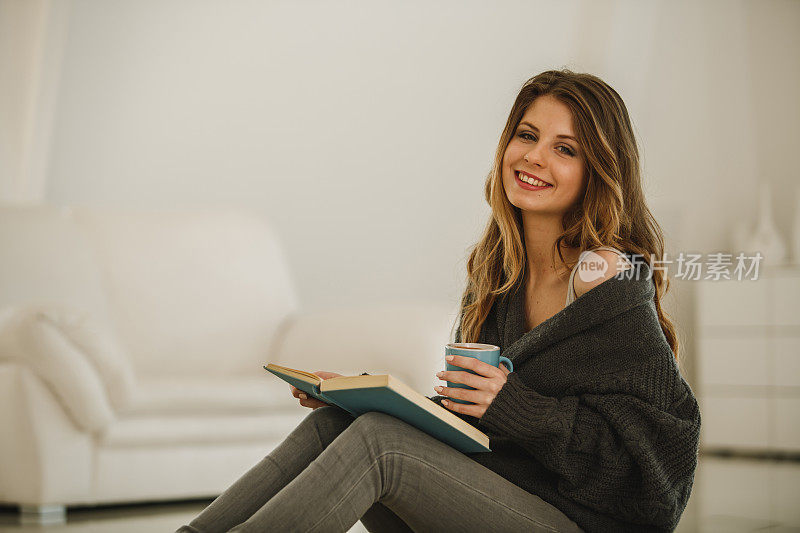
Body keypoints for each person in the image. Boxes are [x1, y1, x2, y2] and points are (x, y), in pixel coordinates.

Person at [177, 68, 700, 533]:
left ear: (598, 170)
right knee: (338, 424)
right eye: (527, 135)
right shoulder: (496, 273)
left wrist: (514, 405)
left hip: (582, 521)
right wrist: (362, 398)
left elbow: (656, 470)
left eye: (566, 149)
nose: (534, 157)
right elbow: (475, 429)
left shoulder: (603, 275)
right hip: (501, 496)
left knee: (381, 445)